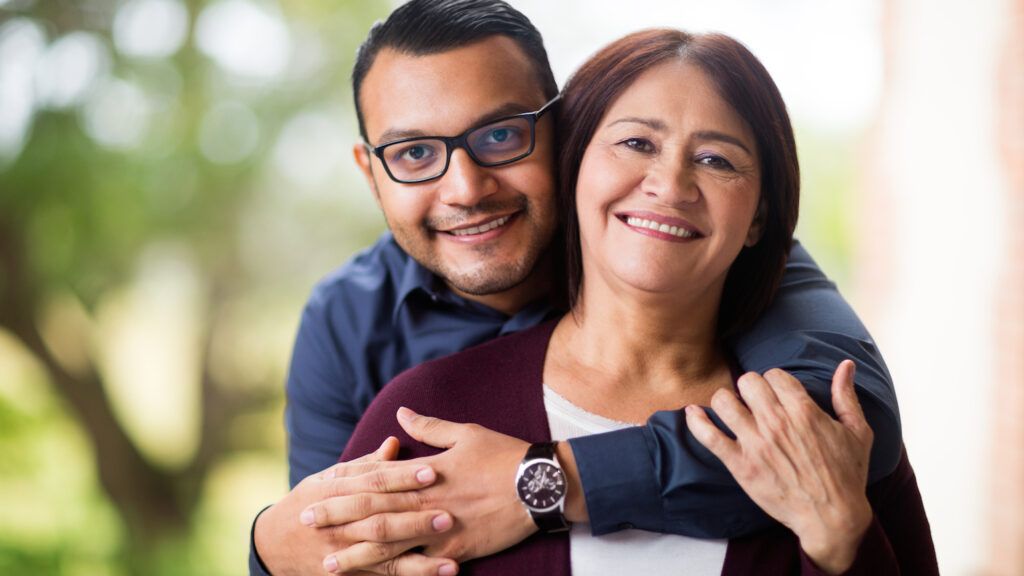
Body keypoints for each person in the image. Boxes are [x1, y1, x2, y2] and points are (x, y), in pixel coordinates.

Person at [250, 2, 904, 575]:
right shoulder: (358, 335)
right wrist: (272, 549)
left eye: (501, 135)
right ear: (373, 173)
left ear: (561, 136)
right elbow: (332, 542)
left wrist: (544, 482)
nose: (466, 188)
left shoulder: (698, 253)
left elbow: (847, 428)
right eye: (415, 153)